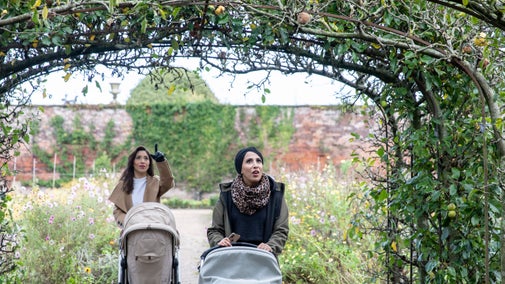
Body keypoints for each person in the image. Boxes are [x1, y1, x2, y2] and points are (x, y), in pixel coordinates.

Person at [207, 146, 289, 256]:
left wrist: (270, 246)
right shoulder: (226, 196)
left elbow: (281, 230)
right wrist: (220, 242)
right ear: (240, 168)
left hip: (263, 259)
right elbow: (215, 230)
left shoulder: (275, 195)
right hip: (232, 258)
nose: (255, 165)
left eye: (258, 161)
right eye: (249, 161)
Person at [108, 144, 175, 229]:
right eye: (138, 158)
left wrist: (161, 162)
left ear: (149, 163)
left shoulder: (155, 182)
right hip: (131, 231)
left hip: (153, 228)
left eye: (146, 158)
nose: (142, 161)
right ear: (132, 162)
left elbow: (168, 182)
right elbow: (118, 211)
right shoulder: (123, 185)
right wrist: (128, 222)